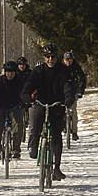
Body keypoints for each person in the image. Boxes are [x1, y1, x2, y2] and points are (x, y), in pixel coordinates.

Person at [21, 43, 75, 181]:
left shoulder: (63, 71)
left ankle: (56, 167)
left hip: (57, 104)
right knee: (35, 124)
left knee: (57, 135)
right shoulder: (38, 71)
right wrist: (26, 96)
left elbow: (68, 86)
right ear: (44, 57)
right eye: (47, 57)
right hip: (40, 103)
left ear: (56, 57)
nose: (50, 59)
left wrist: (68, 99)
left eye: (52, 57)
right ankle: (33, 146)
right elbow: (29, 85)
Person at [0, 61, 25, 161]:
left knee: (19, 125)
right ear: (4, 72)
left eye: (12, 72)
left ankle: (16, 149)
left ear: (15, 72)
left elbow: (25, 92)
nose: (10, 74)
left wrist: (26, 101)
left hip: (14, 106)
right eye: (8, 71)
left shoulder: (20, 82)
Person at [62, 51, 87, 141]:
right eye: (66, 60)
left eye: (70, 59)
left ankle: (74, 132)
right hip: (61, 92)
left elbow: (82, 80)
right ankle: (63, 126)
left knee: (73, 111)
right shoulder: (60, 68)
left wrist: (80, 91)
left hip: (73, 92)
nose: (68, 61)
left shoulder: (77, 68)